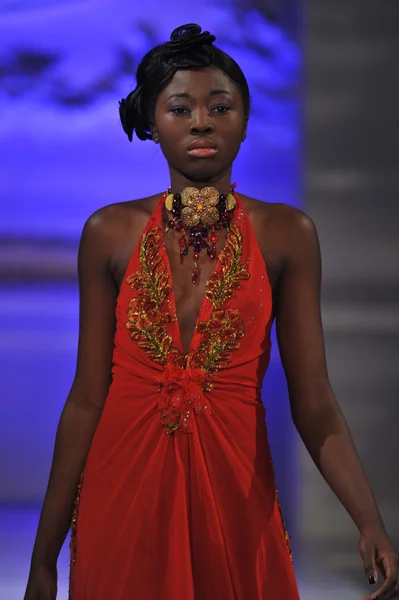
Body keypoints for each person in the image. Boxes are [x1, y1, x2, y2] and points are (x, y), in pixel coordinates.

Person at [24, 23, 398, 600]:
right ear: (152, 122)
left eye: (220, 106)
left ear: (245, 121)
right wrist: (43, 559)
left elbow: (314, 399)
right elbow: (87, 397)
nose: (201, 121)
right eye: (180, 108)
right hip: (121, 492)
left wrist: (368, 518)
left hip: (235, 495)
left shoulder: (287, 234)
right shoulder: (108, 232)